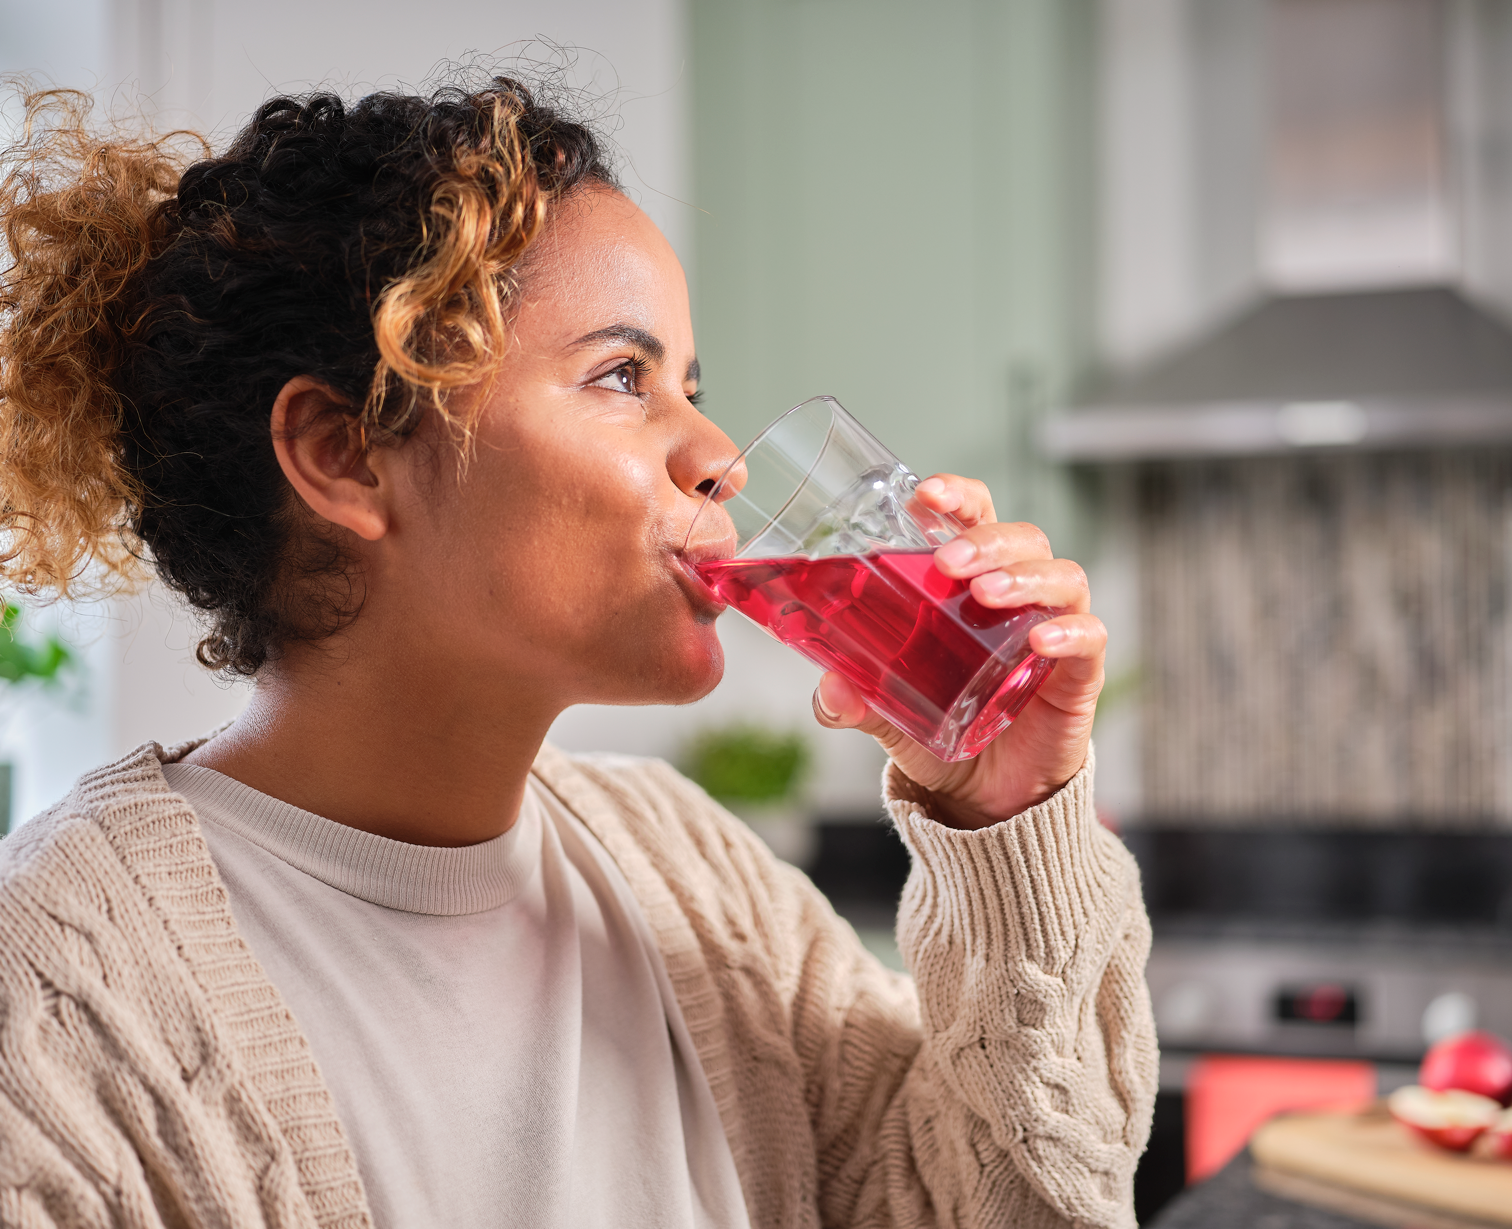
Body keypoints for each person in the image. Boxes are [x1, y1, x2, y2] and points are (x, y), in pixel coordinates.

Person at [0, 75, 1157, 1229]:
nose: (717, 453)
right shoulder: (62, 992)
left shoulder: (696, 878)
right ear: (345, 454)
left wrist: (1011, 816)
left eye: (690, 386)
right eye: (621, 376)